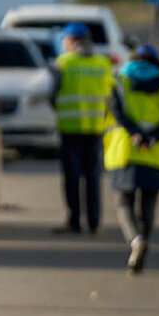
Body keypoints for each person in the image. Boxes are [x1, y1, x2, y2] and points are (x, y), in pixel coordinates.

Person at [105, 44, 159, 273]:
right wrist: (152, 138)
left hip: (126, 148)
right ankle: (143, 242)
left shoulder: (120, 79)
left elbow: (117, 111)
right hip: (155, 152)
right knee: (148, 202)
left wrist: (136, 135)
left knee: (124, 200)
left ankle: (135, 241)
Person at [51, 21, 113, 234]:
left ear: (70, 40)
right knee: (93, 177)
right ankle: (94, 223)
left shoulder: (63, 63)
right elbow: (111, 95)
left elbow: (53, 93)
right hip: (95, 128)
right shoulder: (102, 63)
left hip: (70, 129)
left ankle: (74, 221)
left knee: (72, 177)